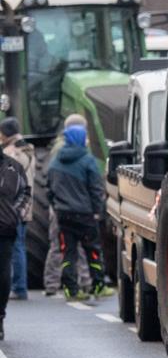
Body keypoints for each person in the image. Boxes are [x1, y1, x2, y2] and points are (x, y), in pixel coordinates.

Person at [47, 124, 113, 301]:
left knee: (67, 253)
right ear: (79, 139)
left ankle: (71, 290)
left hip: (63, 216)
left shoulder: (55, 162)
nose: (87, 140)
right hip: (85, 216)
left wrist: (57, 206)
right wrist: (97, 212)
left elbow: (49, 191)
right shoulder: (87, 160)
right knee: (92, 251)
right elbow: (96, 189)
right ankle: (98, 286)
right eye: (84, 137)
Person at [43, 114, 91, 296]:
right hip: (72, 205)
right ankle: (84, 281)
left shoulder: (58, 148)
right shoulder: (78, 148)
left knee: (58, 244)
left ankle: (52, 283)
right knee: (78, 244)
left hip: (59, 205)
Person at [0, 118, 35, 301]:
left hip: (11, 210)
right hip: (23, 206)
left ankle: (19, 287)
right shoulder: (27, 148)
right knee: (18, 246)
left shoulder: (12, 153)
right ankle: (19, 285)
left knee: (14, 248)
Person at [0, 146, 30, 339]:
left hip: (5, 229)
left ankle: (0, 315)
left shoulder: (14, 167)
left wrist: (16, 213)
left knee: (2, 275)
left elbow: (25, 193)